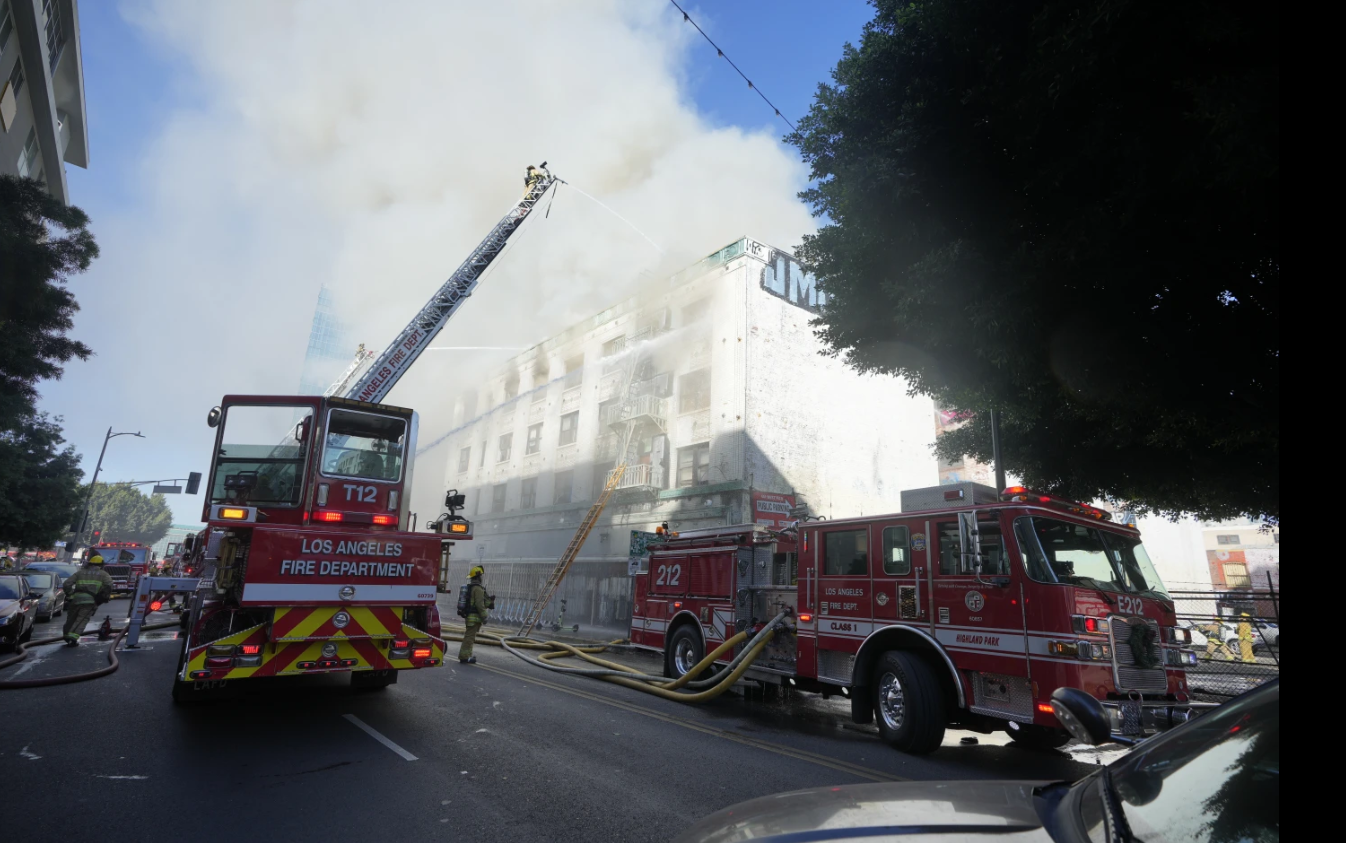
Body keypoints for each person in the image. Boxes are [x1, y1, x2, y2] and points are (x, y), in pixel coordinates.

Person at [61, 553, 113, 646]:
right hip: (90, 601)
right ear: (101, 565)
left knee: (71, 619)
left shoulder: (80, 572)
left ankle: (66, 635)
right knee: (82, 619)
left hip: (76, 599)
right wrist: (103, 596)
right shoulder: (104, 574)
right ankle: (73, 637)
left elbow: (66, 584)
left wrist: (70, 595)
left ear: (89, 563)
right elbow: (109, 585)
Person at [459, 565, 489, 664]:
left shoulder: (470, 587)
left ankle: (467, 655)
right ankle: (464, 657)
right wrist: (484, 616)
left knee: (469, 637)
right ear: (478, 577)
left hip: (469, 616)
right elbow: (480, 604)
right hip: (474, 618)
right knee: (469, 637)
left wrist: (489, 601)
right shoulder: (478, 589)